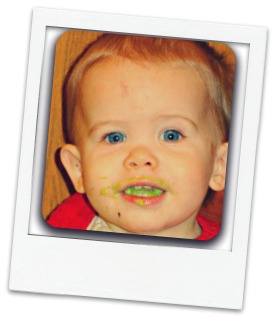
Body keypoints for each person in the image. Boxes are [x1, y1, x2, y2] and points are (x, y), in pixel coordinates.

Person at [46, 33, 235, 240]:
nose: (140, 158)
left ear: (219, 165)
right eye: (114, 137)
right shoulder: (66, 224)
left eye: (171, 135)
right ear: (78, 169)